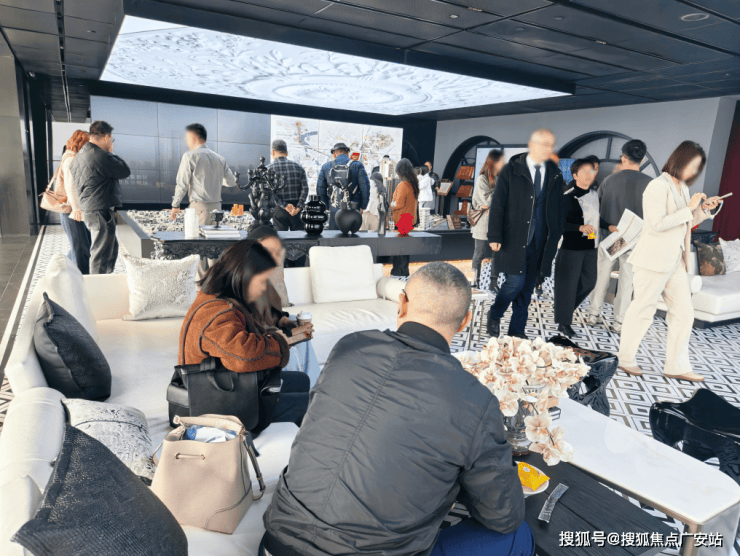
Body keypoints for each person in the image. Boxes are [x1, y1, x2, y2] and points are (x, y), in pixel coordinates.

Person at [262, 262, 532, 556]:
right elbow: (503, 515)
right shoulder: (474, 400)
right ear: (465, 321)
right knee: (518, 535)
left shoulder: (349, 347)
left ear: (401, 303)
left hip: (276, 542)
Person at [179, 239, 311, 434]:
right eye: (262, 281)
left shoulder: (222, 300)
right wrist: (283, 341)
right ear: (244, 277)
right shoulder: (215, 312)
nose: (264, 288)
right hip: (218, 402)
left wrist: (284, 332)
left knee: (301, 380)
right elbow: (244, 355)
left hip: (231, 385)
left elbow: (247, 334)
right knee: (311, 403)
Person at [617, 142, 721, 382]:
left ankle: (676, 366)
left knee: (684, 314)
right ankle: (625, 358)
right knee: (643, 310)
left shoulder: (683, 188)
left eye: (697, 168)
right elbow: (657, 224)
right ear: (679, 160)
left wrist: (703, 210)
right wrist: (690, 207)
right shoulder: (657, 186)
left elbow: (686, 222)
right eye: (691, 165)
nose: (693, 172)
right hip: (652, 259)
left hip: (676, 260)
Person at [486, 129, 564, 339]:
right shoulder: (511, 170)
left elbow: (558, 207)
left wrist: (556, 234)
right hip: (514, 238)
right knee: (515, 282)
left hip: (540, 241)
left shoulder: (555, 173)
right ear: (532, 145)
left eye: (550, 145)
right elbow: (498, 204)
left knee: (528, 287)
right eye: (544, 144)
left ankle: (517, 331)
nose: (548, 149)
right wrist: (494, 235)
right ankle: (495, 313)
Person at [586, 140, 652, 333]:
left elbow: (595, 211)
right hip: (634, 240)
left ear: (624, 158)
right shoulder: (651, 184)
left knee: (601, 277)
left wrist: (593, 238)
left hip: (610, 239)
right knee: (627, 281)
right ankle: (619, 322)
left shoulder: (609, 181)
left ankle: (593, 315)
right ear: (642, 159)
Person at [247, 226, 321, 385]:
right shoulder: (243, 278)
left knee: (303, 333)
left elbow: (270, 310)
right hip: (257, 337)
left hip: (269, 329)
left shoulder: (262, 276)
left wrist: (283, 320)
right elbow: (249, 319)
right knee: (292, 343)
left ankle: (314, 387)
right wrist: (280, 334)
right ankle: (298, 386)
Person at [170, 123, 238, 278]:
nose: (186, 141)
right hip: (217, 208)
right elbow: (231, 182)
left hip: (199, 208)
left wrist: (175, 205)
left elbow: (182, 184)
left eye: (187, 138)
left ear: (194, 138)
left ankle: (200, 285)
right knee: (215, 248)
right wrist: (215, 179)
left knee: (198, 249)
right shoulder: (220, 158)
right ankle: (214, 283)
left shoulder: (190, 156)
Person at [70, 120, 131, 274]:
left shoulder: (79, 156)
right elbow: (124, 171)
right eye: (111, 139)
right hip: (99, 210)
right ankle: (97, 285)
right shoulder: (101, 156)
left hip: (90, 208)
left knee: (108, 248)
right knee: (101, 253)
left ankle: (105, 280)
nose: (111, 142)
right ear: (106, 137)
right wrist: (111, 152)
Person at [554, 159, 599, 338]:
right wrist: (579, 227)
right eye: (584, 172)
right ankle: (564, 322)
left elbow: (595, 218)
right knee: (567, 286)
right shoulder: (567, 197)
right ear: (575, 175)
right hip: (571, 248)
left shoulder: (595, 195)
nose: (589, 175)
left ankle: (564, 309)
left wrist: (609, 226)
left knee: (589, 282)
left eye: (591, 171)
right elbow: (559, 224)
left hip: (591, 246)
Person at [58, 130, 92, 275]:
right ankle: (81, 279)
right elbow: (70, 186)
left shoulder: (75, 158)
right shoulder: (71, 159)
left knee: (84, 246)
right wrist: (77, 209)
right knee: (80, 248)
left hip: (77, 210)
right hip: (72, 211)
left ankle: (64, 271)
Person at [471, 149, 505, 292]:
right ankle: (474, 282)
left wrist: (493, 202)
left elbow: (502, 200)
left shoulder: (500, 178)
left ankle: (493, 283)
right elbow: (488, 200)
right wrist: (498, 197)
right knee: (479, 253)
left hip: (496, 223)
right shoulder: (482, 179)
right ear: (493, 163)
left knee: (497, 254)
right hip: (482, 223)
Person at [316, 142, 370, 230]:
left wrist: (327, 206)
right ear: (348, 153)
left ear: (334, 154)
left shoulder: (325, 167)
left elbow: (320, 190)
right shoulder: (358, 165)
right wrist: (363, 206)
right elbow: (365, 188)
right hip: (353, 207)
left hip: (334, 207)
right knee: (352, 235)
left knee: (334, 235)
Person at [268, 139, 309, 232]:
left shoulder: (268, 169)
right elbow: (305, 189)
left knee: (281, 238)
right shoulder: (299, 167)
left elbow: (269, 192)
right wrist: (298, 207)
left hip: (279, 210)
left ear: (273, 152)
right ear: (286, 153)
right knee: (298, 238)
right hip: (296, 211)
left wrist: (285, 205)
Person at [390, 158, 419, 277]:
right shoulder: (413, 184)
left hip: (402, 220)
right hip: (409, 219)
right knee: (404, 249)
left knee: (398, 249)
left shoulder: (403, 185)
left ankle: (398, 272)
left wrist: (391, 205)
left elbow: (399, 203)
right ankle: (404, 273)